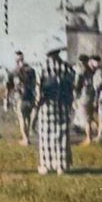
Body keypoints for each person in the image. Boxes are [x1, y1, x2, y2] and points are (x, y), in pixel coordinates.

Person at [37, 34, 75, 175]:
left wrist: (38, 102)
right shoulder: (67, 68)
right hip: (62, 104)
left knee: (46, 135)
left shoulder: (42, 67)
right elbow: (71, 86)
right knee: (61, 134)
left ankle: (46, 165)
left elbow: (38, 88)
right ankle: (61, 165)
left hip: (47, 104)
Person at [8, 51, 37, 146]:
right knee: (27, 118)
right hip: (30, 96)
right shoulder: (31, 70)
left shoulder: (14, 71)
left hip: (19, 96)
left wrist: (8, 98)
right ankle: (27, 138)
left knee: (21, 118)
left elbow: (9, 86)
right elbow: (34, 83)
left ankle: (25, 139)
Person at [73, 54, 95, 145]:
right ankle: (91, 136)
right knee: (89, 117)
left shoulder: (81, 71)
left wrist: (75, 99)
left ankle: (88, 138)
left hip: (84, 96)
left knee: (86, 119)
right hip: (91, 95)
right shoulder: (92, 70)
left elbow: (76, 86)